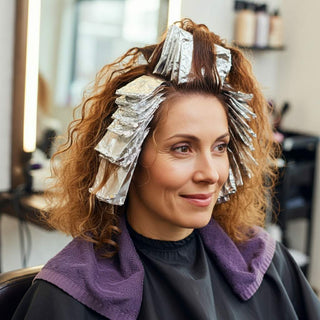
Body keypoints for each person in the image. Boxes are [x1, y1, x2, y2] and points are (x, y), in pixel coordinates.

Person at [13, 19, 320, 320]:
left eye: (220, 147)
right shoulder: (70, 295)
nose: (211, 174)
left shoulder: (263, 262)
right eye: (182, 148)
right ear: (126, 157)